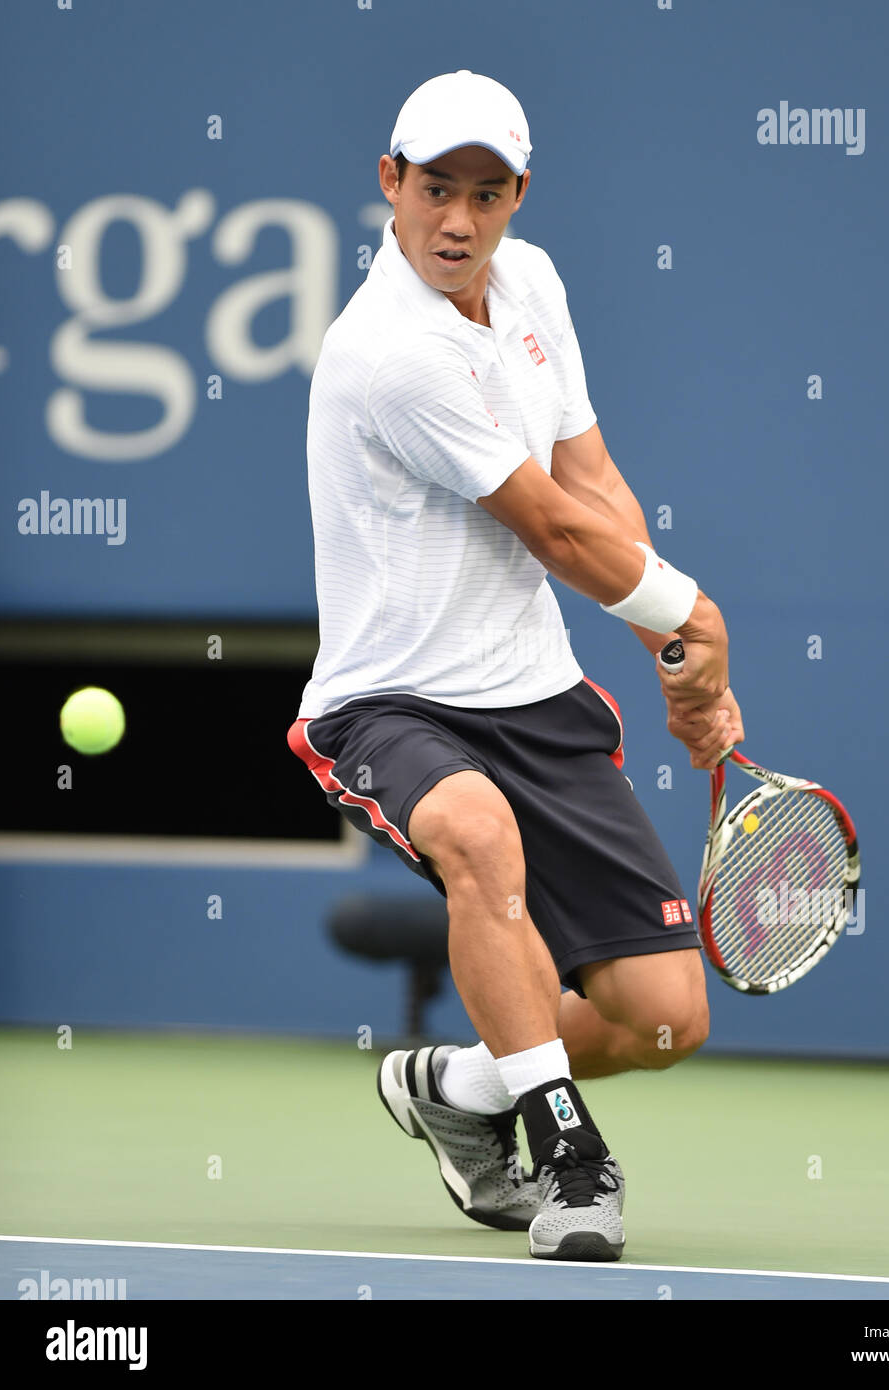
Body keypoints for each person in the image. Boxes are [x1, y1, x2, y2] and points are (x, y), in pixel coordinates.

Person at [287, 70, 744, 1262]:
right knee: (478, 834)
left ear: (517, 197)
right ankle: (568, 1157)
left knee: (662, 1018)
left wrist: (677, 652)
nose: (457, 219)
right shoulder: (391, 351)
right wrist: (696, 610)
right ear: (389, 184)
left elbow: (592, 485)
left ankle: (461, 1087)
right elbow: (547, 527)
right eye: (435, 188)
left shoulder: (529, 280)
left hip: (531, 692)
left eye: (485, 195)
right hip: (389, 702)